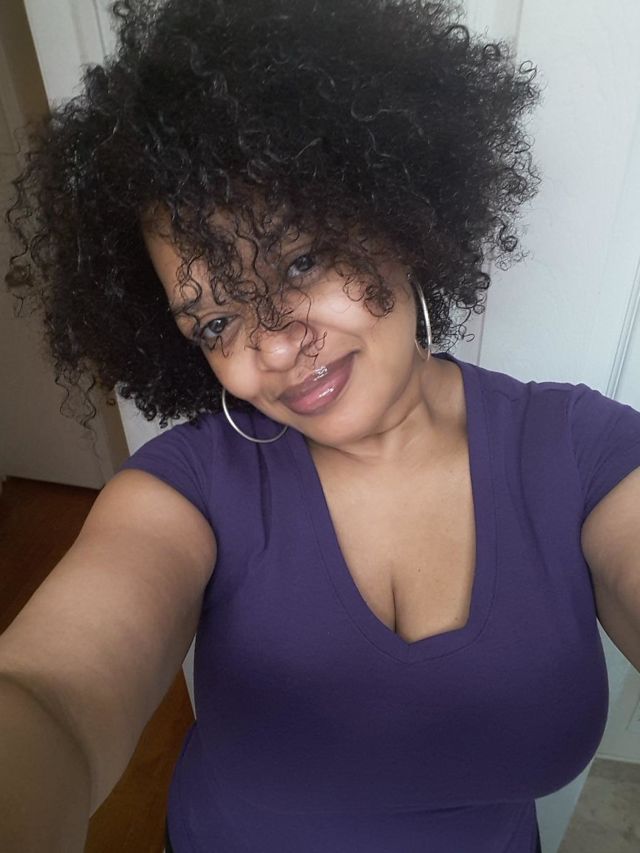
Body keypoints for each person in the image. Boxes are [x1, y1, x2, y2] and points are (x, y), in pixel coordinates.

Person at [2, 0, 640, 851]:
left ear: (397, 212)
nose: (273, 346)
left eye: (301, 260)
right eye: (216, 322)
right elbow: (51, 695)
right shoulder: (188, 488)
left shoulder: (581, 451)